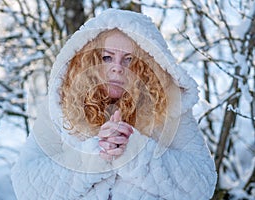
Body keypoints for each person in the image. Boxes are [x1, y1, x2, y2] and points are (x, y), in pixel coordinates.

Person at [11, 9, 217, 200]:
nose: (117, 68)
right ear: (90, 61)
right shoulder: (61, 106)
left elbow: (202, 185)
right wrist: (95, 153)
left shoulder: (169, 109)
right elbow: (25, 186)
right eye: (107, 57)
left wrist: (133, 150)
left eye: (129, 60)